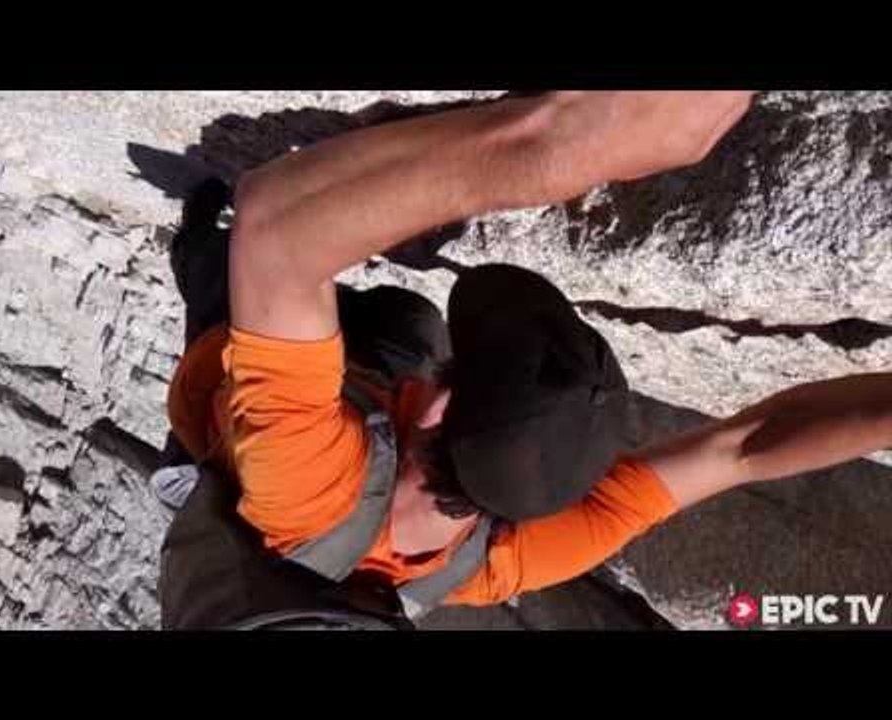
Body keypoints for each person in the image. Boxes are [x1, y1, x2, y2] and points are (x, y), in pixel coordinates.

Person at [158, 91, 892, 627]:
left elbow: (274, 224)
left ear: (441, 402)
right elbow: (747, 448)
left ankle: (196, 241)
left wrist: (555, 144)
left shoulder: (303, 489)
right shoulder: (505, 556)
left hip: (256, 429)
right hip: (376, 385)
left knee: (224, 273)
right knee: (404, 320)